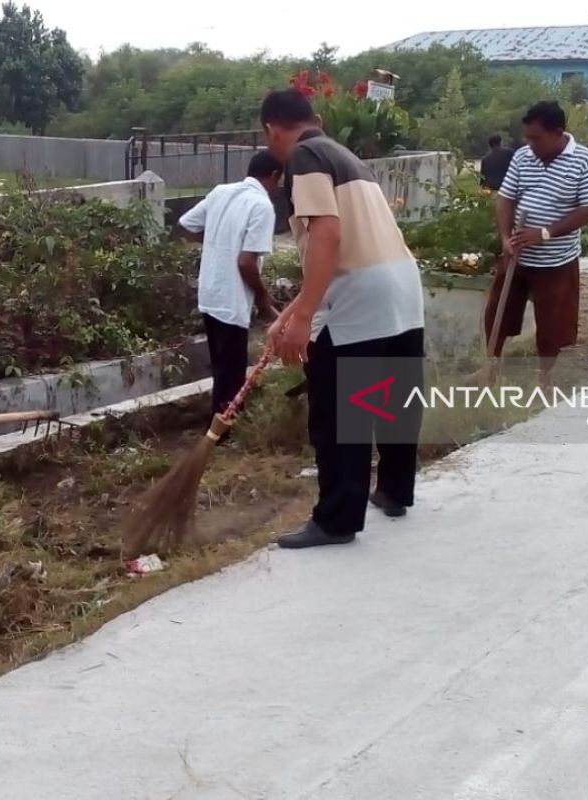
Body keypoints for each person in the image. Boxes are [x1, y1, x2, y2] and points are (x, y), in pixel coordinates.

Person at [259, 89, 426, 550]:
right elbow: (340, 244)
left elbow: (327, 238)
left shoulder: (305, 156)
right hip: (401, 283)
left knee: (338, 410)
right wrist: (292, 312)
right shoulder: (347, 156)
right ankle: (394, 490)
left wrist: (304, 317)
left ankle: (337, 519)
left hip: (357, 290)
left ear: (272, 128)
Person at [487, 101, 588, 390]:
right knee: (497, 315)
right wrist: (505, 238)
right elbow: (506, 198)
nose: (530, 143)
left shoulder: (585, 160)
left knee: (552, 324)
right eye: (527, 136)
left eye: (536, 137)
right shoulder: (523, 157)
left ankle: (545, 379)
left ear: (558, 132)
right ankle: (490, 370)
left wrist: (545, 233)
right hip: (518, 254)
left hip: (556, 260)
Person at [178, 151, 281, 421]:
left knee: (221, 366)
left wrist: (216, 240)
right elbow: (246, 262)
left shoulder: (221, 192)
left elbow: (187, 224)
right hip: (232, 298)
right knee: (231, 371)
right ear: (273, 176)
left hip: (210, 293)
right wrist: (262, 297)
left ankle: (220, 423)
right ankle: (224, 430)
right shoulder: (262, 205)